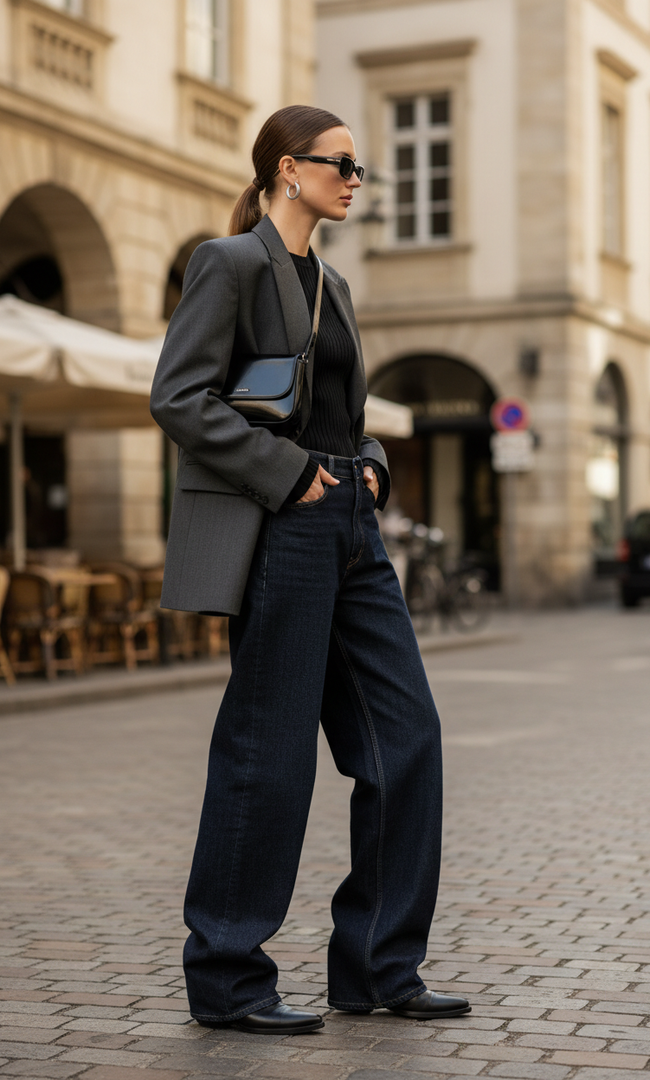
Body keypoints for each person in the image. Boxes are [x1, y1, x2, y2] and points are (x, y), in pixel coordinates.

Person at [150, 105, 470, 1036]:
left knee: (406, 738)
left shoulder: (333, 283)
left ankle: (378, 965)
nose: (357, 180)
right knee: (269, 751)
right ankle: (228, 974)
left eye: (360, 168)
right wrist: (291, 476)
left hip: (354, 530)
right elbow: (179, 396)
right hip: (283, 528)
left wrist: (365, 458)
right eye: (342, 164)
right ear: (288, 170)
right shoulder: (231, 263)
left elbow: (336, 407)